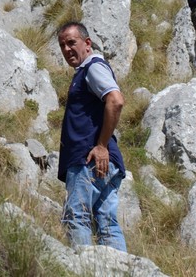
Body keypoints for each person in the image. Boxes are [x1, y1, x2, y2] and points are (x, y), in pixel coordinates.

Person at [56, 21, 127, 251]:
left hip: (89, 160)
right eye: (62, 45)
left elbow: (115, 100)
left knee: (76, 216)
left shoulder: (93, 67)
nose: (67, 49)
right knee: (106, 222)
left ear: (87, 43)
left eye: (71, 43)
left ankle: (81, 269)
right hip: (105, 162)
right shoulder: (85, 71)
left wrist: (101, 146)